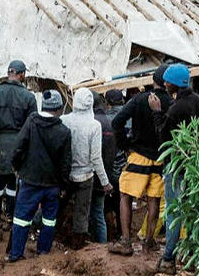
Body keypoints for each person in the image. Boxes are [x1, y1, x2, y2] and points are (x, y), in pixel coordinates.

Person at [108, 74, 170, 256]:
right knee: (154, 200)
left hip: (138, 156)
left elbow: (117, 122)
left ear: (154, 81)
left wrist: (124, 145)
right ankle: (149, 242)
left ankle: (126, 241)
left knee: (125, 196)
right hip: (160, 158)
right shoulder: (170, 103)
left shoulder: (139, 99)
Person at [7, 90, 72, 262]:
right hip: (52, 184)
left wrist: (16, 167)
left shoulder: (31, 122)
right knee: (49, 220)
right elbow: (66, 163)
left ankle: (16, 253)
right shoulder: (64, 131)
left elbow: (18, 147)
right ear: (58, 109)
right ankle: (43, 252)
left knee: (21, 218)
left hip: (30, 181)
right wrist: (64, 186)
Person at [155, 64, 199, 271]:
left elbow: (163, 137)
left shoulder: (176, 109)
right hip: (197, 165)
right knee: (195, 211)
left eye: (167, 82)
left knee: (173, 212)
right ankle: (196, 257)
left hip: (176, 167)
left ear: (174, 84)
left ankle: (168, 258)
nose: (165, 85)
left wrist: (157, 113)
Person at [0, 60, 36, 225]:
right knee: (13, 181)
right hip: (19, 143)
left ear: (9, 73)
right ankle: (11, 215)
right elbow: (32, 125)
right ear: (22, 74)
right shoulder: (28, 97)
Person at [61, 89, 112, 249]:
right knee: (82, 213)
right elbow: (96, 157)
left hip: (66, 174)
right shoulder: (94, 125)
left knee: (57, 205)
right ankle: (78, 247)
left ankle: (41, 234)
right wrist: (105, 182)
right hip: (85, 176)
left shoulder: (64, 120)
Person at [90, 90, 121, 243]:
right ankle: (118, 235)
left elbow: (95, 155)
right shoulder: (113, 121)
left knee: (99, 209)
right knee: (116, 204)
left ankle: (102, 240)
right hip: (116, 169)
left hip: (96, 173)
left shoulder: (94, 122)